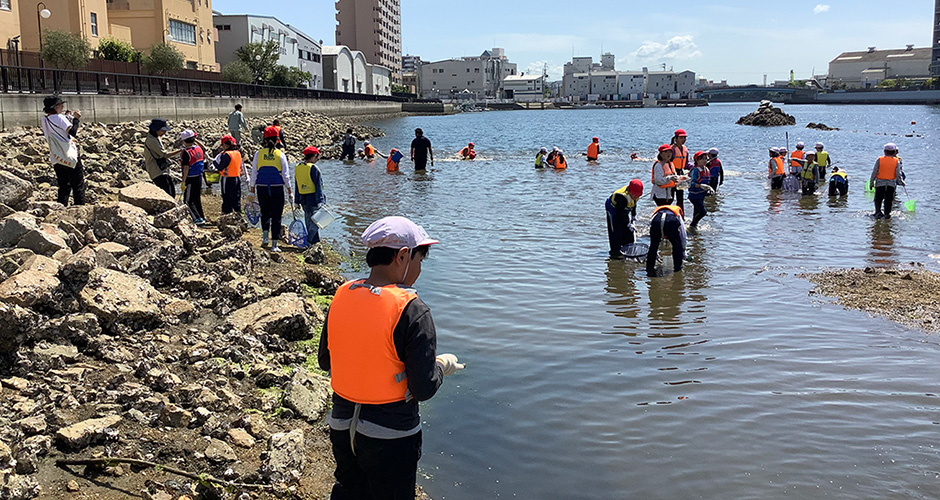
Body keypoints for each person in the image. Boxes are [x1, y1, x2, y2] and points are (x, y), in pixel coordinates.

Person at [317, 216, 464, 500]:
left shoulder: (342, 296)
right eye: (419, 261)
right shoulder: (412, 310)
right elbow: (423, 388)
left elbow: (326, 361)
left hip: (342, 425)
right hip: (390, 435)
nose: (418, 269)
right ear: (402, 256)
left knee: (349, 491)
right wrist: (442, 367)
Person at [250, 126, 294, 251]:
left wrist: (252, 190)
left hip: (262, 187)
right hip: (276, 188)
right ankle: (274, 245)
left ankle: (265, 238)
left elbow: (254, 173)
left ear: (264, 139)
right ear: (277, 140)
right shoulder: (280, 154)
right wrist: (290, 192)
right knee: (276, 215)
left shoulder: (258, 154)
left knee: (265, 213)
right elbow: (285, 175)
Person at [41, 95, 85, 206]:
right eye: (61, 105)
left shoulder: (44, 119)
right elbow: (72, 132)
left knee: (64, 185)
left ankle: (61, 207)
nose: (62, 106)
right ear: (55, 107)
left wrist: (67, 116)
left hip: (56, 156)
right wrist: (76, 119)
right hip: (69, 154)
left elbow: (57, 126)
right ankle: (79, 208)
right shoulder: (60, 118)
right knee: (78, 184)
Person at [295, 146, 325, 246]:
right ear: (314, 156)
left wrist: (296, 200)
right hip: (314, 198)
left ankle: (315, 242)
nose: (317, 159)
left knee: (308, 220)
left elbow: (297, 184)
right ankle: (310, 240)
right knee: (316, 221)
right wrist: (320, 201)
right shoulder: (313, 168)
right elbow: (318, 186)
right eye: (317, 157)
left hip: (303, 198)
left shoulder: (298, 167)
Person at [645, 205, 687, 277]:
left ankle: (649, 268)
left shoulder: (656, 212)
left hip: (656, 221)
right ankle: (677, 269)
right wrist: (683, 250)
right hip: (670, 222)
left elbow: (650, 225)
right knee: (677, 245)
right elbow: (683, 234)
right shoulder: (677, 214)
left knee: (653, 246)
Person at [606, 179, 643, 258]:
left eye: (637, 195)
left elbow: (633, 204)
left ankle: (627, 250)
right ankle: (615, 255)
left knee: (629, 236)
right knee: (616, 233)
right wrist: (628, 224)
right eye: (634, 195)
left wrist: (633, 217)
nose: (635, 196)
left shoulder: (636, 195)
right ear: (629, 190)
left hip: (624, 210)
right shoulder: (621, 197)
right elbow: (620, 214)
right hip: (614, 212)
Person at [143, 119, 180, 197]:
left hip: (161, 170)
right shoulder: (151, 140)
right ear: (156, 129)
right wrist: (180, 151)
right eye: (163, 130)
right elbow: (164, 154)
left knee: (171, 191)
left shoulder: (155, 137)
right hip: (157, 171)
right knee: (168, 194)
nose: (165, 132)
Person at [179, 130, 207, 224]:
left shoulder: (186, 152)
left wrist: (183, 181)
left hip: (190, 178)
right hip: (199, 176)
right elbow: (204, 148)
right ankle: (201, 216)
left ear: (184, 141)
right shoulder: (198, 148)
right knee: (196, 198)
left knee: (187, 201)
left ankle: (197, 219)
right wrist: (196, 140)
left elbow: (186, 168)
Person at [870, 143, 904, 219]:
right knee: (889, 199)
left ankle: (878, 212)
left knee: (878, 198)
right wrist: (901, 182)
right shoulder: (896, 161)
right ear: (894, 152)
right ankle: (887, 214)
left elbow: (874, 172)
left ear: (885, 151)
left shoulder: (879, 159)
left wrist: (871, 182)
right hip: (891, 184)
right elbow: (898, 173)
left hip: (880, 183)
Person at [212, 134, 245, 215]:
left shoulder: (226, 154)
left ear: (226, 145)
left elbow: (220, 167)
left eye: (222, 145)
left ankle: (227, 214)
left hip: (227, 178)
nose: (221, 147)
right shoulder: (237, 153)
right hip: (237, 178)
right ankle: (238, 214)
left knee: (227, 197)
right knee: (236, 197)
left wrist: (213, 162)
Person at [687, 151, 715, 229]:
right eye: (702, 159)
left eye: (706, 158)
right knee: (703, 211)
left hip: (701, 195)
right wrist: (700, 185)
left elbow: (708, 182)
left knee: (696, 212)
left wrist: (709, 188)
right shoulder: (695, 170)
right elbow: (690, 183)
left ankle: (693, 227)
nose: (704, 160)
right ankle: (692, 225)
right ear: (697, 160)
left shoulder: (707, 169)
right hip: (694, 195)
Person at [670, 129, 690, 214]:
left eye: (685, 137)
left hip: (681, 173)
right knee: (670, 197)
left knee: (680, 197)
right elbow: (668, 162)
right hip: (672, 174)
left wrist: (694, 167)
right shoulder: (671, 149)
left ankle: (681, 215)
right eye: (681, 137)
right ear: (676, 138)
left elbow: (686, 164)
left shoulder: (685, 149)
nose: (683, 140)